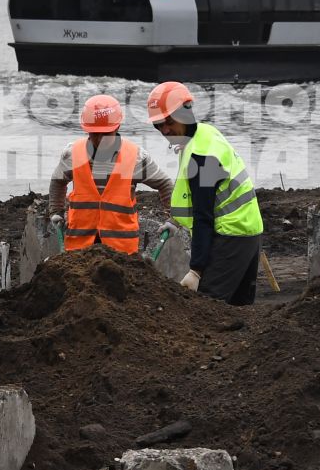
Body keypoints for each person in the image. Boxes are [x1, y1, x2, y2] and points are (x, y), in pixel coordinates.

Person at [148, 81, 264, 305]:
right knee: (238, 309)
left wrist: (196, 271)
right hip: (247, 231)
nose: (164, 130)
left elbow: (203, 217)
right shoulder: (203, 133)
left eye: (168, 122)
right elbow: (201, 197)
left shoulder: (201, 158)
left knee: (208, 308)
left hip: (231, 236)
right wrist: (175, 220)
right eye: (158, 125)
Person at [46, 94, 173, 254]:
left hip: (121, 250)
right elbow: (58, 181)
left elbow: (165, 184)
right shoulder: (73, 154)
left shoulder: (136, 158)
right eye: (94, 134)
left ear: (117, 128)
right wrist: (56, 211)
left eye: (105, 134)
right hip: (80, 247)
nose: (99, 140)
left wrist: (173, 217)